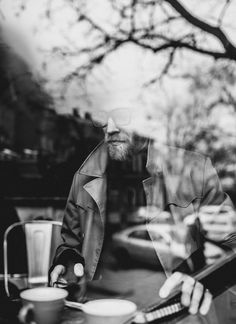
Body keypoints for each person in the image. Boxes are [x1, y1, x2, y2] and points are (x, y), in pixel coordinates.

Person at [50, 108, 236, 322]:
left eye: (121, 116)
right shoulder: (84, 177)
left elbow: (230, 249)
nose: (110, 128)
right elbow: (70, 245)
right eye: (103, 118)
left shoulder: (195, 170)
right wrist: (66, 261)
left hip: (177, 315)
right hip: (99, 315)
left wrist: (204, 282)